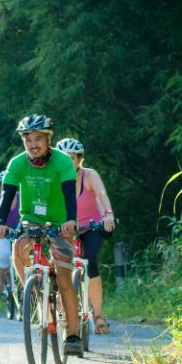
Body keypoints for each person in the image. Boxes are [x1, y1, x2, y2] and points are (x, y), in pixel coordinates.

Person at [0, 114, 82, 354]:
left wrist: (70, 220)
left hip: (60, 222)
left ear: (48, 139)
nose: (33, 144)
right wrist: (0, 221)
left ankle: (72, 334)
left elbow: (69, 194)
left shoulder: (62, 161)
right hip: (31, 219)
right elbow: (8, 194)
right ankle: (30, 293)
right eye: (28, 139)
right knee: (18, 247)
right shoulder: (17, 163)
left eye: (38, 139)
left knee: (64, 277)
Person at [55, 138, 116, 334]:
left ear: (79, 159)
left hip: (91, 227)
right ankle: (63, 311)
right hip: (66, 229)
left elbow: (102, 194)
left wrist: (108, 214)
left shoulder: (90, 175)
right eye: (63, 158)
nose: (67, 162)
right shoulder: (55, 178)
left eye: (71, 158)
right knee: (61, 267)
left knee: (90, 261)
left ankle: (98, 315)